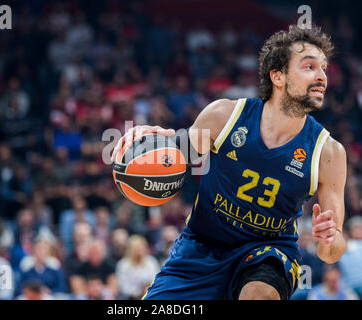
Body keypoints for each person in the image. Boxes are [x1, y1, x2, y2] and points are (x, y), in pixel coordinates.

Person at [111, 25, 347, 300]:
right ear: (278, 76)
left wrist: (329, 240)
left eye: (324, 69)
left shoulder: (329, 152)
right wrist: (152, 142)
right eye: (309, 67)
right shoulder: (225, 116)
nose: (321, 77)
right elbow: (178, 154)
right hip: (201, 246)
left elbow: (332, 251)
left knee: (258, 295)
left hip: (269, 252)